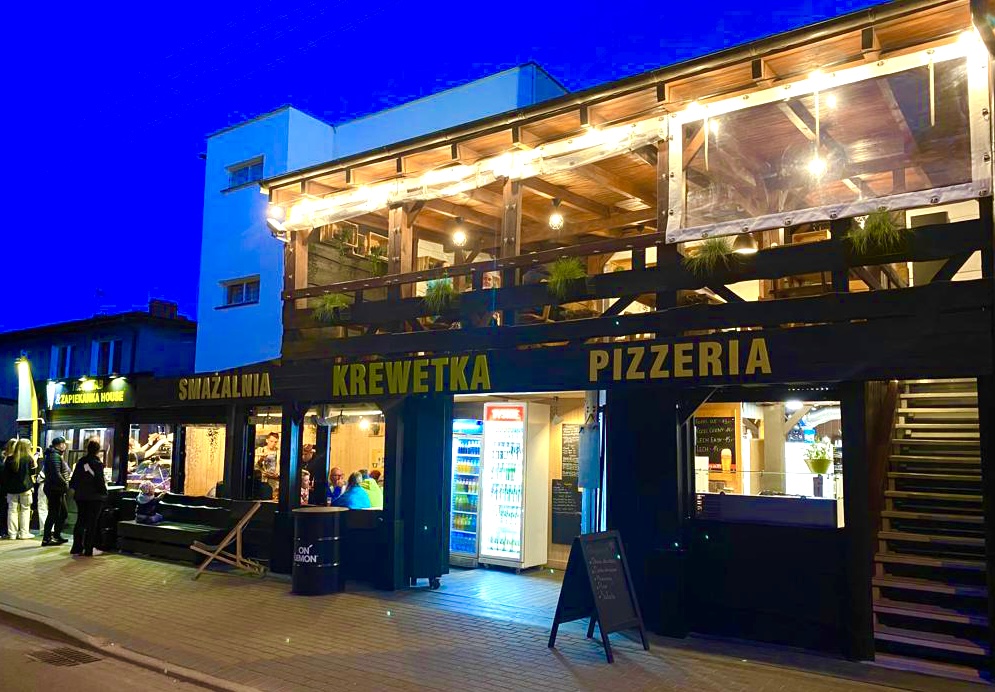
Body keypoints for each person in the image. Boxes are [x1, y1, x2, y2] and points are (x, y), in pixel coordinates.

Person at [69, 440, 108, 556]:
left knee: (80, 521)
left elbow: (73, 480)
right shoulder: (97, 463)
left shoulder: (81, 462)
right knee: (92, 523)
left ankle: (76, 547)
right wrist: (104, 492)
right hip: (94, 498)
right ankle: (88, 549)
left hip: (80, 497)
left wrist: (77, 490)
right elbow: (99, 481)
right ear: (98, 450)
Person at [2, 439, 38, 539]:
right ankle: (24, 533)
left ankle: (12, 534)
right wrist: (35, 460)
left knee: (12, 510)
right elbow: (32, 473)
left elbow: (5, 476)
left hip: (11, 489)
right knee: (25, 510)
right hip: (25, 488)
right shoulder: (29, 459)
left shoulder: (9, 459)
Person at [42, 437, 71, 546]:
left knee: (63, 513)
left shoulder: (55, 455)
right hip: (54, 489)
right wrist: (65, 484)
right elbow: (56, 474)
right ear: (60, 445)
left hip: (57, 489)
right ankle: (46, 538)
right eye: (64, 444)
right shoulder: (54, 455)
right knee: (53, 513)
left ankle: (56, 535)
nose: (65, 446)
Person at [255, 432, 280, 497]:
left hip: (275, 480)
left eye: (275, 442)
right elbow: (256, 466)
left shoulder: (279, 452)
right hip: (264, 480)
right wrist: (261, 459)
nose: (273, 444)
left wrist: (277, 475)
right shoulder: (260, 450)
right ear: (267, 440)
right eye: (271, 441)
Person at [0, 438, 15, 539]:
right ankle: (3, 531)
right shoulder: (6, 459)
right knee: (3, 510)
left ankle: (4, 530)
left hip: (5, 488)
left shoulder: (7, 458)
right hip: (4, 488)